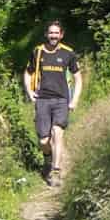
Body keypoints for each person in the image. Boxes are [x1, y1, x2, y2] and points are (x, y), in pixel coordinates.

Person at [24, 20, 83, 185]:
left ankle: (56, 172)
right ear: (46, 34)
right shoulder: (38, 52)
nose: (53, 36)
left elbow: (78, 78)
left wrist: (74, 100)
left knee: (57, 133)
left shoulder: (68, 53)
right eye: (51, 33)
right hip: (42, 100)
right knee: (44, 140)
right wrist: (30, 93)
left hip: (61, 100)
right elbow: (28, 73)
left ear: (61, 35)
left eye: (56, 33)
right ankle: (48, 159)